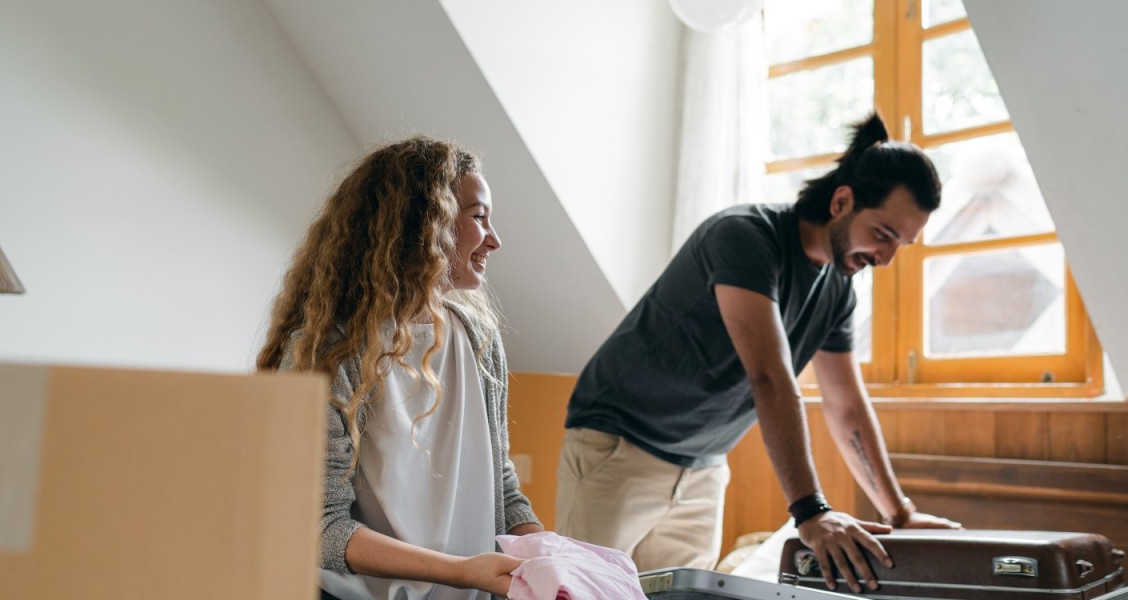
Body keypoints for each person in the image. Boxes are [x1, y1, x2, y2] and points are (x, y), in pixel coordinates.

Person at [555, 113, 962, 594]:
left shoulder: (838, 290)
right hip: (618, 448)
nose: (887, 258)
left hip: (704, 465)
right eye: (883, 234)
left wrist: (901, 513)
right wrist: (811, 512)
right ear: (842, 201)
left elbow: (846, 405)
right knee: (579, 591)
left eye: (903, 244)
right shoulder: (746, 237)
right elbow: (770, 377)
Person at [256, 136, 543, 600]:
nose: (495, 239)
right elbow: (318, 526)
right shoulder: (329, 353)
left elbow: (502, 486)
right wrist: (463, 571)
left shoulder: (478, 340)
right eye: (478, 216)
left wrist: (549, 553)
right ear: (425, 222)